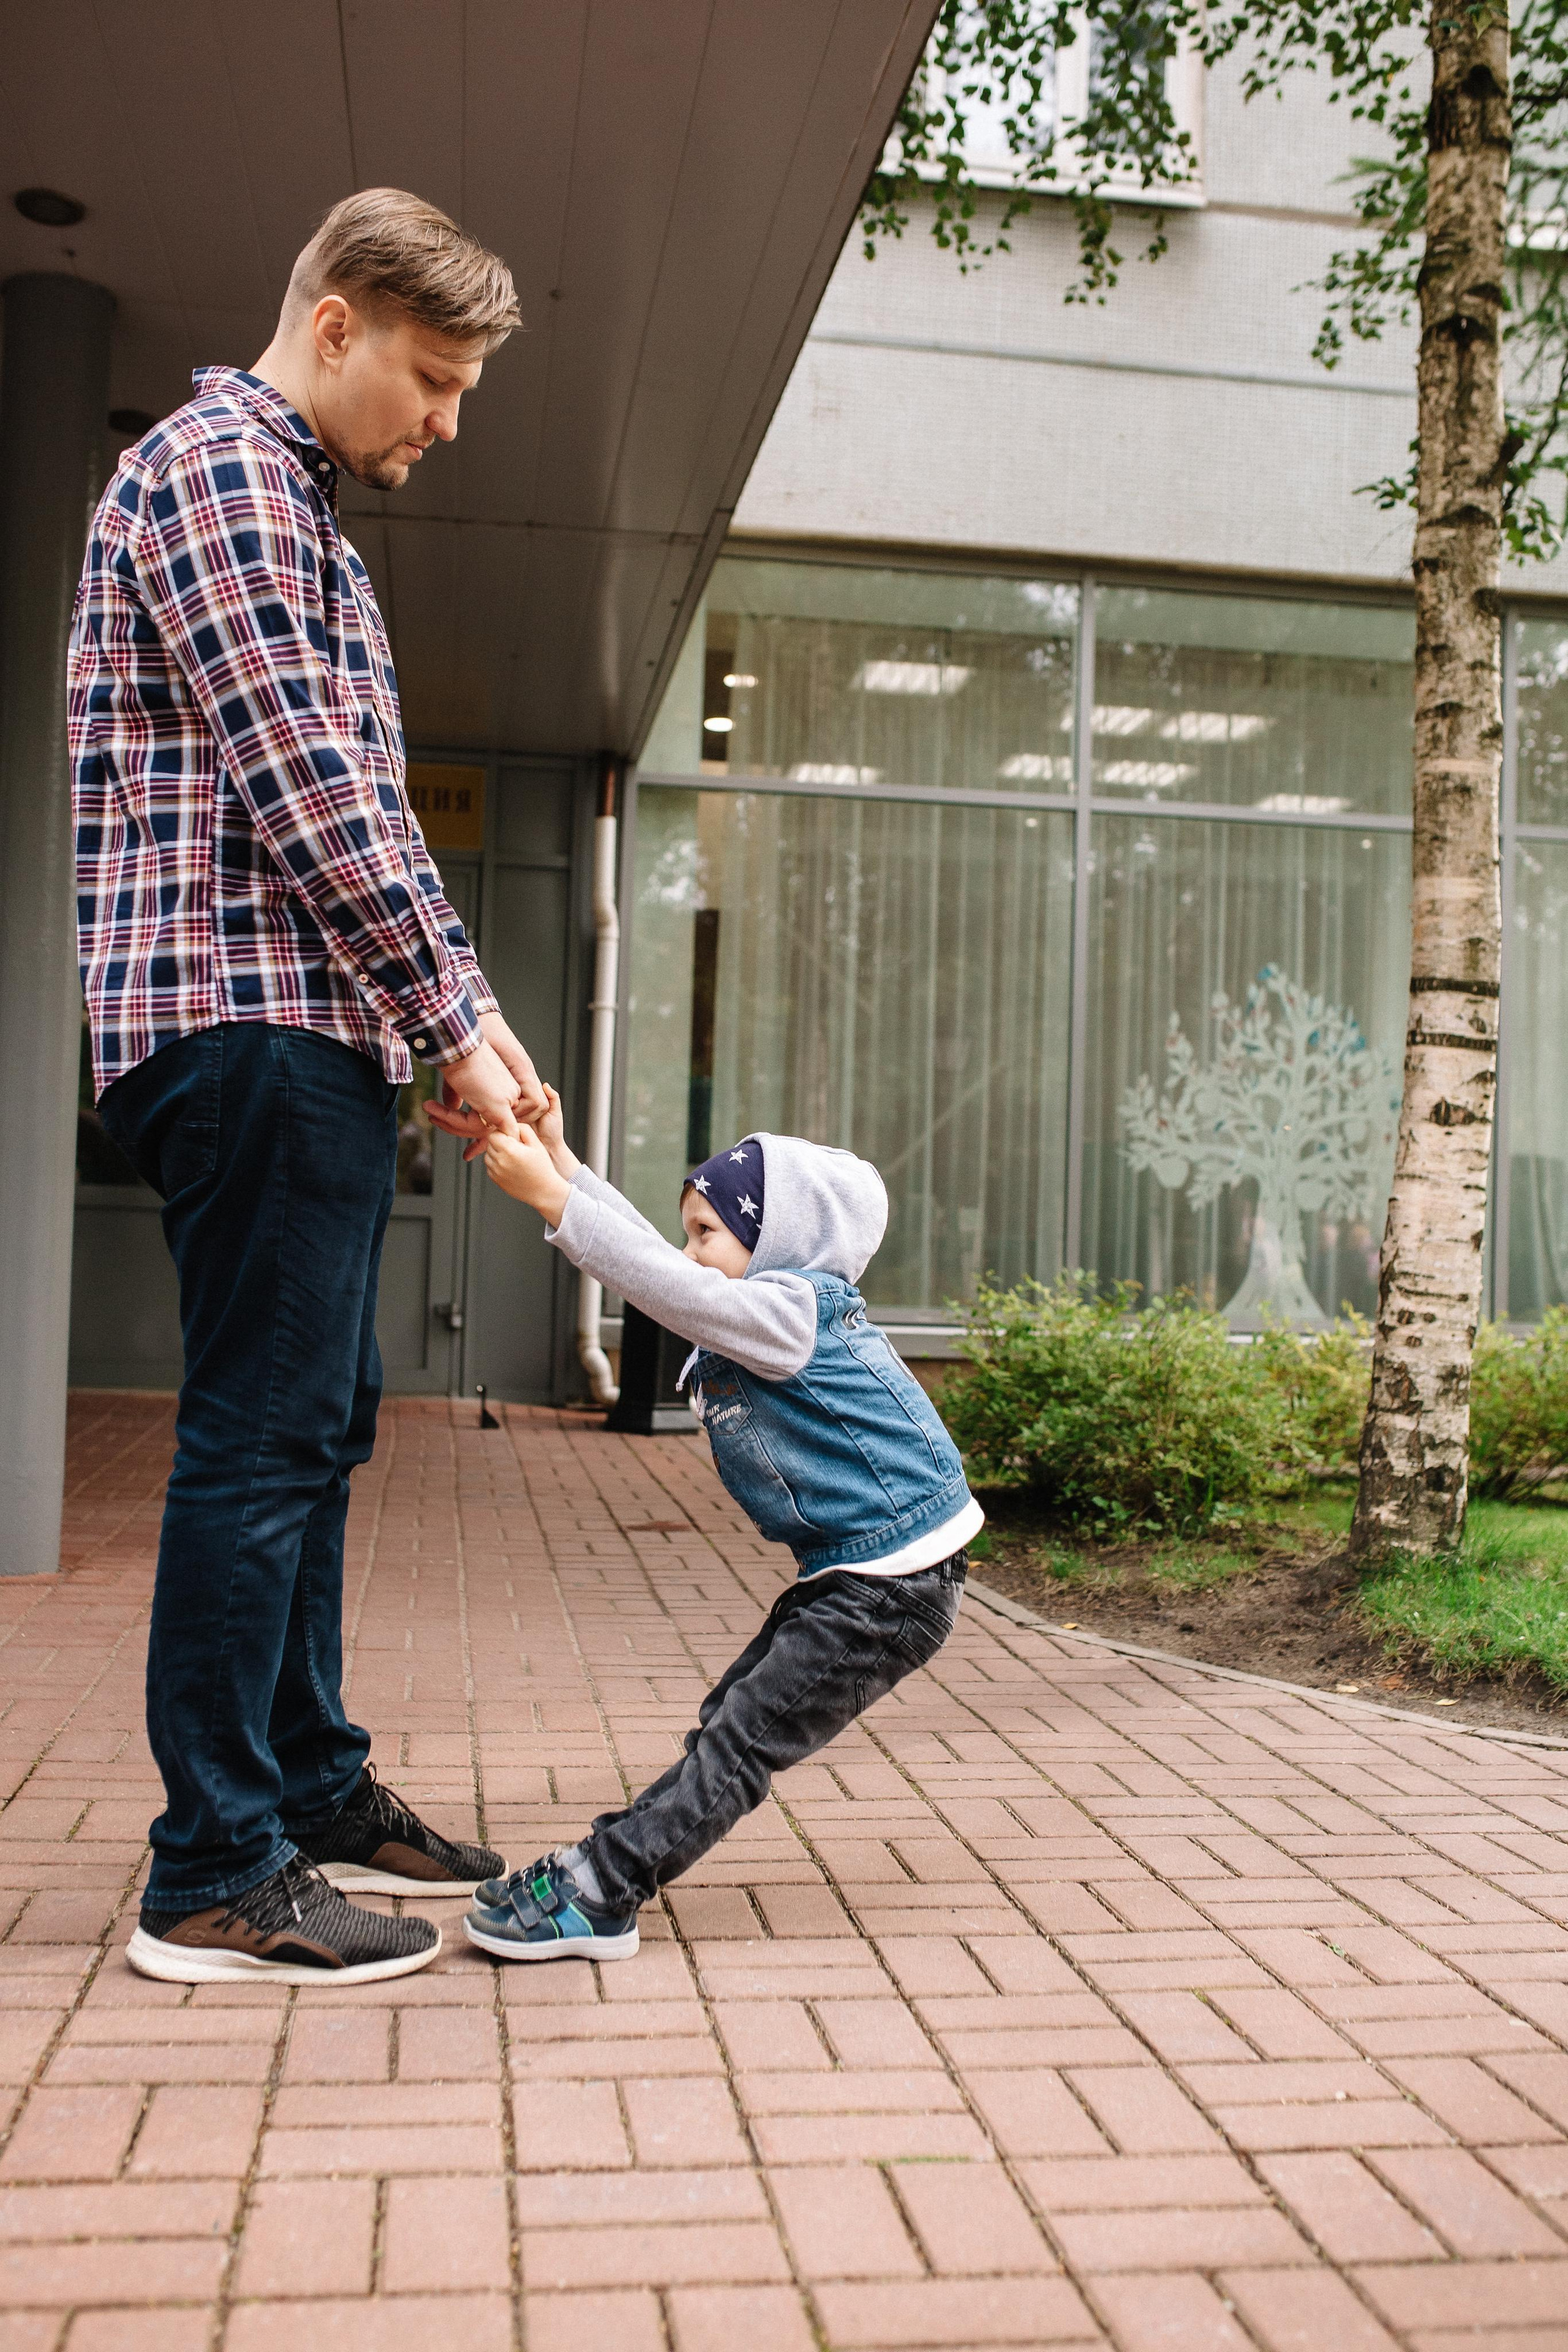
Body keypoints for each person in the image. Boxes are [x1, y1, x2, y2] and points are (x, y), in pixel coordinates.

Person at [68, 190, 540, 1987]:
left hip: (303, 1029)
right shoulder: (221, 478)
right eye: (432, 376)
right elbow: (314, 793)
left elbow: (344, 797)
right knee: (262, 1440)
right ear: (333, 322)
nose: (446, 419)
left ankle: (307, 1788)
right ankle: (211, 1870)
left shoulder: (292, 505)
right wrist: (459, 1019)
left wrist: (450, 1019)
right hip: (240, 1022)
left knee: (318, 1427)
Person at [431, 1085, 982, 1961]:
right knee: (735, 1716)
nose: (690, 1251)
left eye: (709, 1234)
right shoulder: (763, 1309)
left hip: (893, 1584)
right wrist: (561, 1160)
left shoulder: (790, 1312)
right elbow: (660, 1263)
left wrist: (550, 1196)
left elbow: (657, 1280)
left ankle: (601, 1888)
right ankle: (604, 1869)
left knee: (741, 1739)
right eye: (692, 1231)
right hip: (864, 1574)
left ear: (780, 1244)